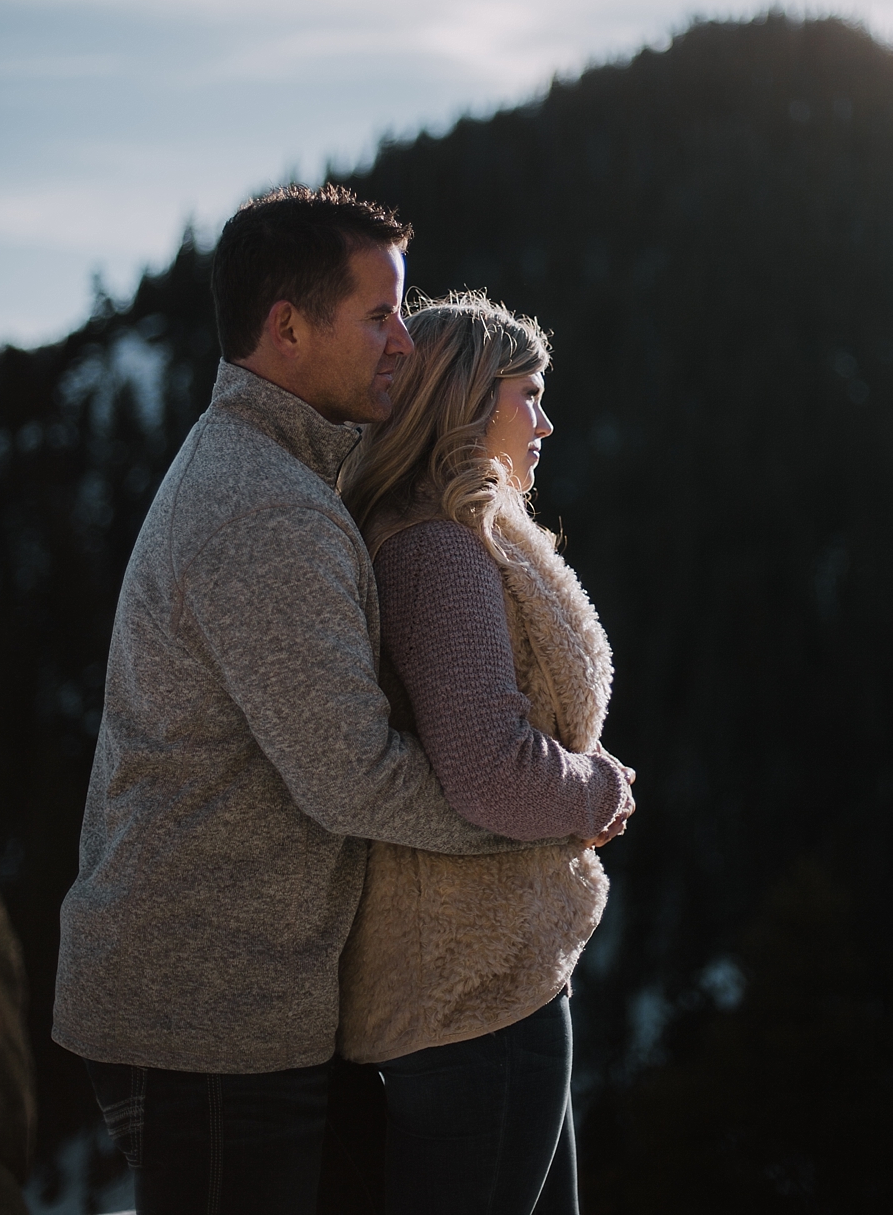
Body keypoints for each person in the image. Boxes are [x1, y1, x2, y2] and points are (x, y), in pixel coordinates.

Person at [52, 185, 630, 1215]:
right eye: (378, 316)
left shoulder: (283, 475)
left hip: (245, 1002)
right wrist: (549, 813)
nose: (404, 345)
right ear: (286, 328)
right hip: (211, 1013)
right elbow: (354, 777)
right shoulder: (263, 510)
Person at [337, 293, 636, 1215]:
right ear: (467, 399)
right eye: (528, 395)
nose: (545, 421)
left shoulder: (456, 534)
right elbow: (487, 767)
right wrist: (599, 792)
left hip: (487, 980)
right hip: (471, 995)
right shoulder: (436, 549)